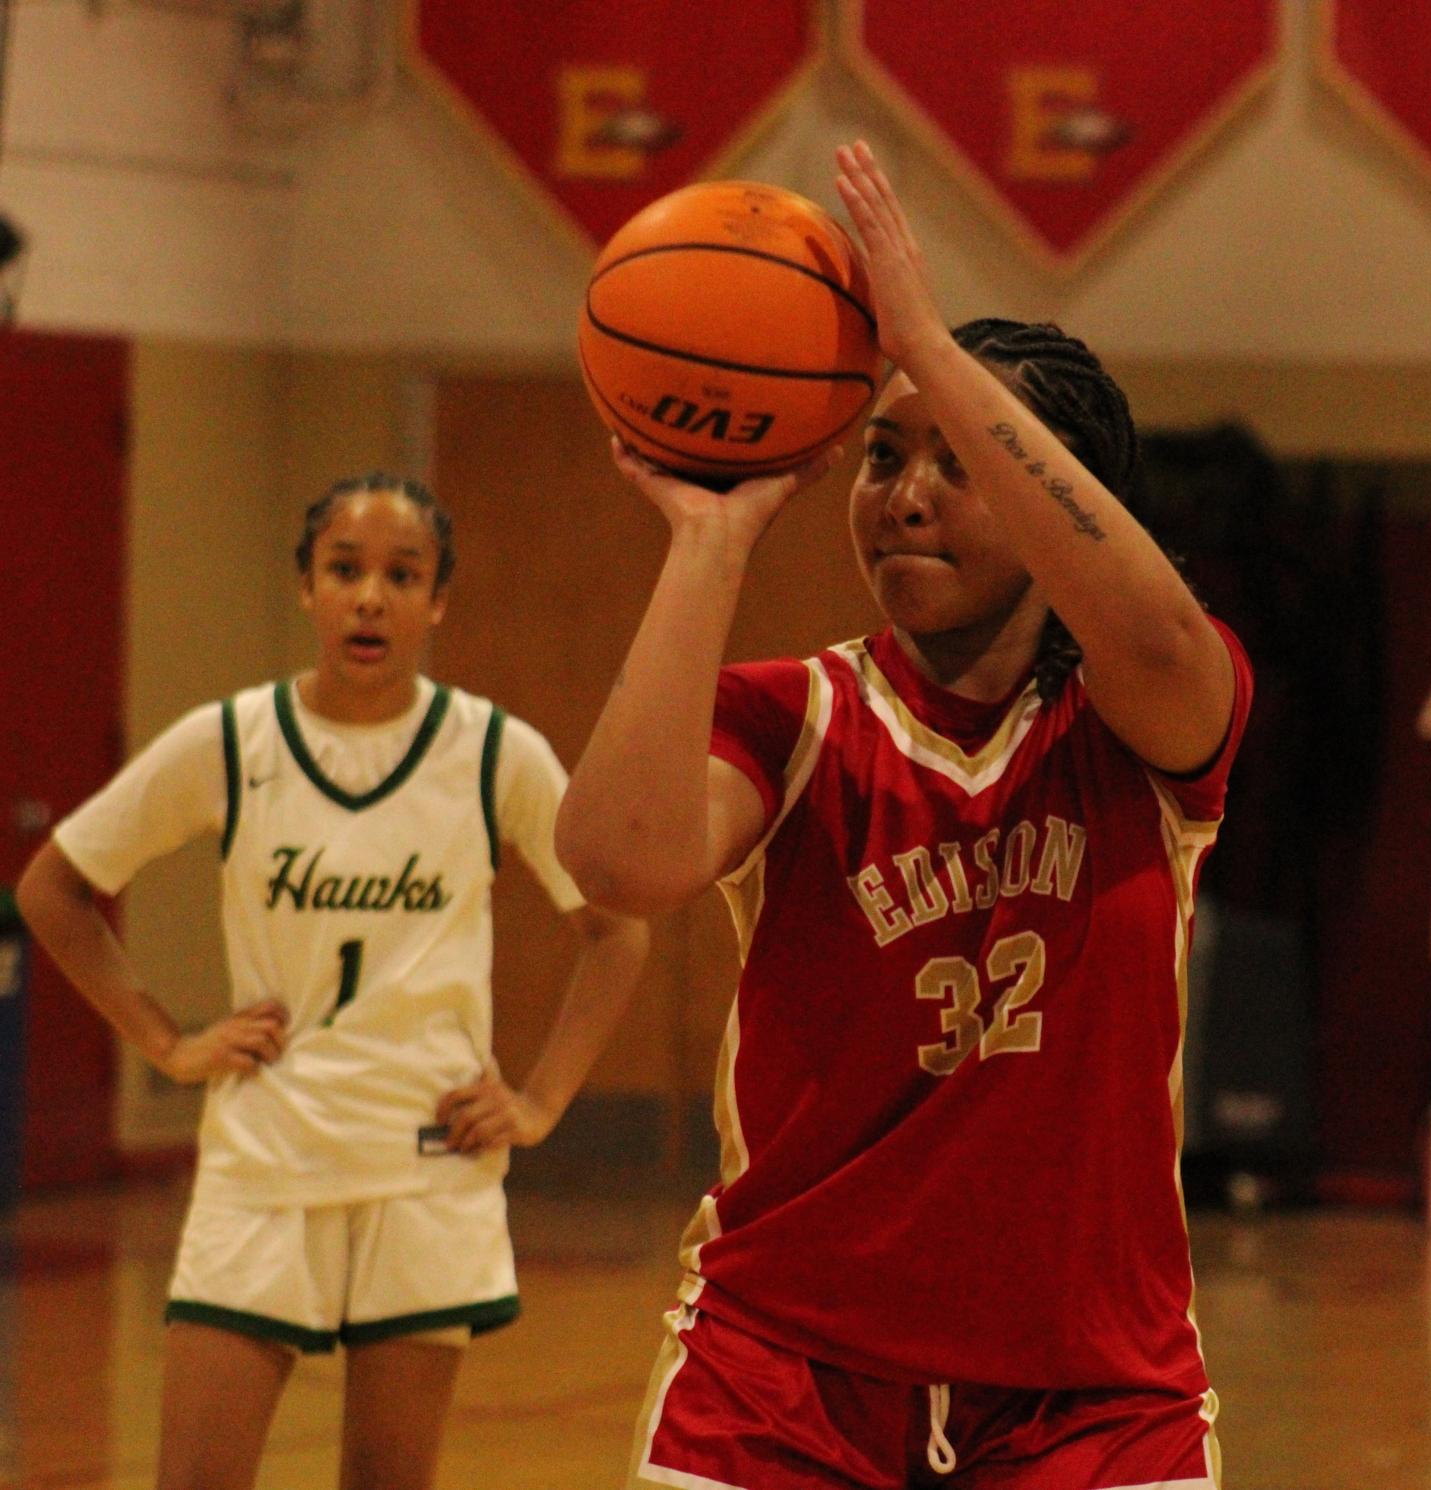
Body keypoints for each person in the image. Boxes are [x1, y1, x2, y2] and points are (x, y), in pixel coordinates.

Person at [557, 141, 1253, 1490]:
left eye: (956, 459)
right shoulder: (792, 717)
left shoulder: (1143, 725)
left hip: (1094, 1387)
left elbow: (1155, 628)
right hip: (785, 1368)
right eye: (881, 455)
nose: (904, 493)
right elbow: (616, 862)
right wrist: (711, 535)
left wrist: (925, 343)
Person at [15, 473, 650, 1490]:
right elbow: (56, 888)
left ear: (437, 599)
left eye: (402, 575)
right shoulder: (232, 740)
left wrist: (537, 1100)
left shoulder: (493, 750)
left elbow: (616, 931)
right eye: (344, 569)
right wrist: (167, 1041)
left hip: (427, 1167)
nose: (369, 596)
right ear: (306, 587)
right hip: (268, 1159)